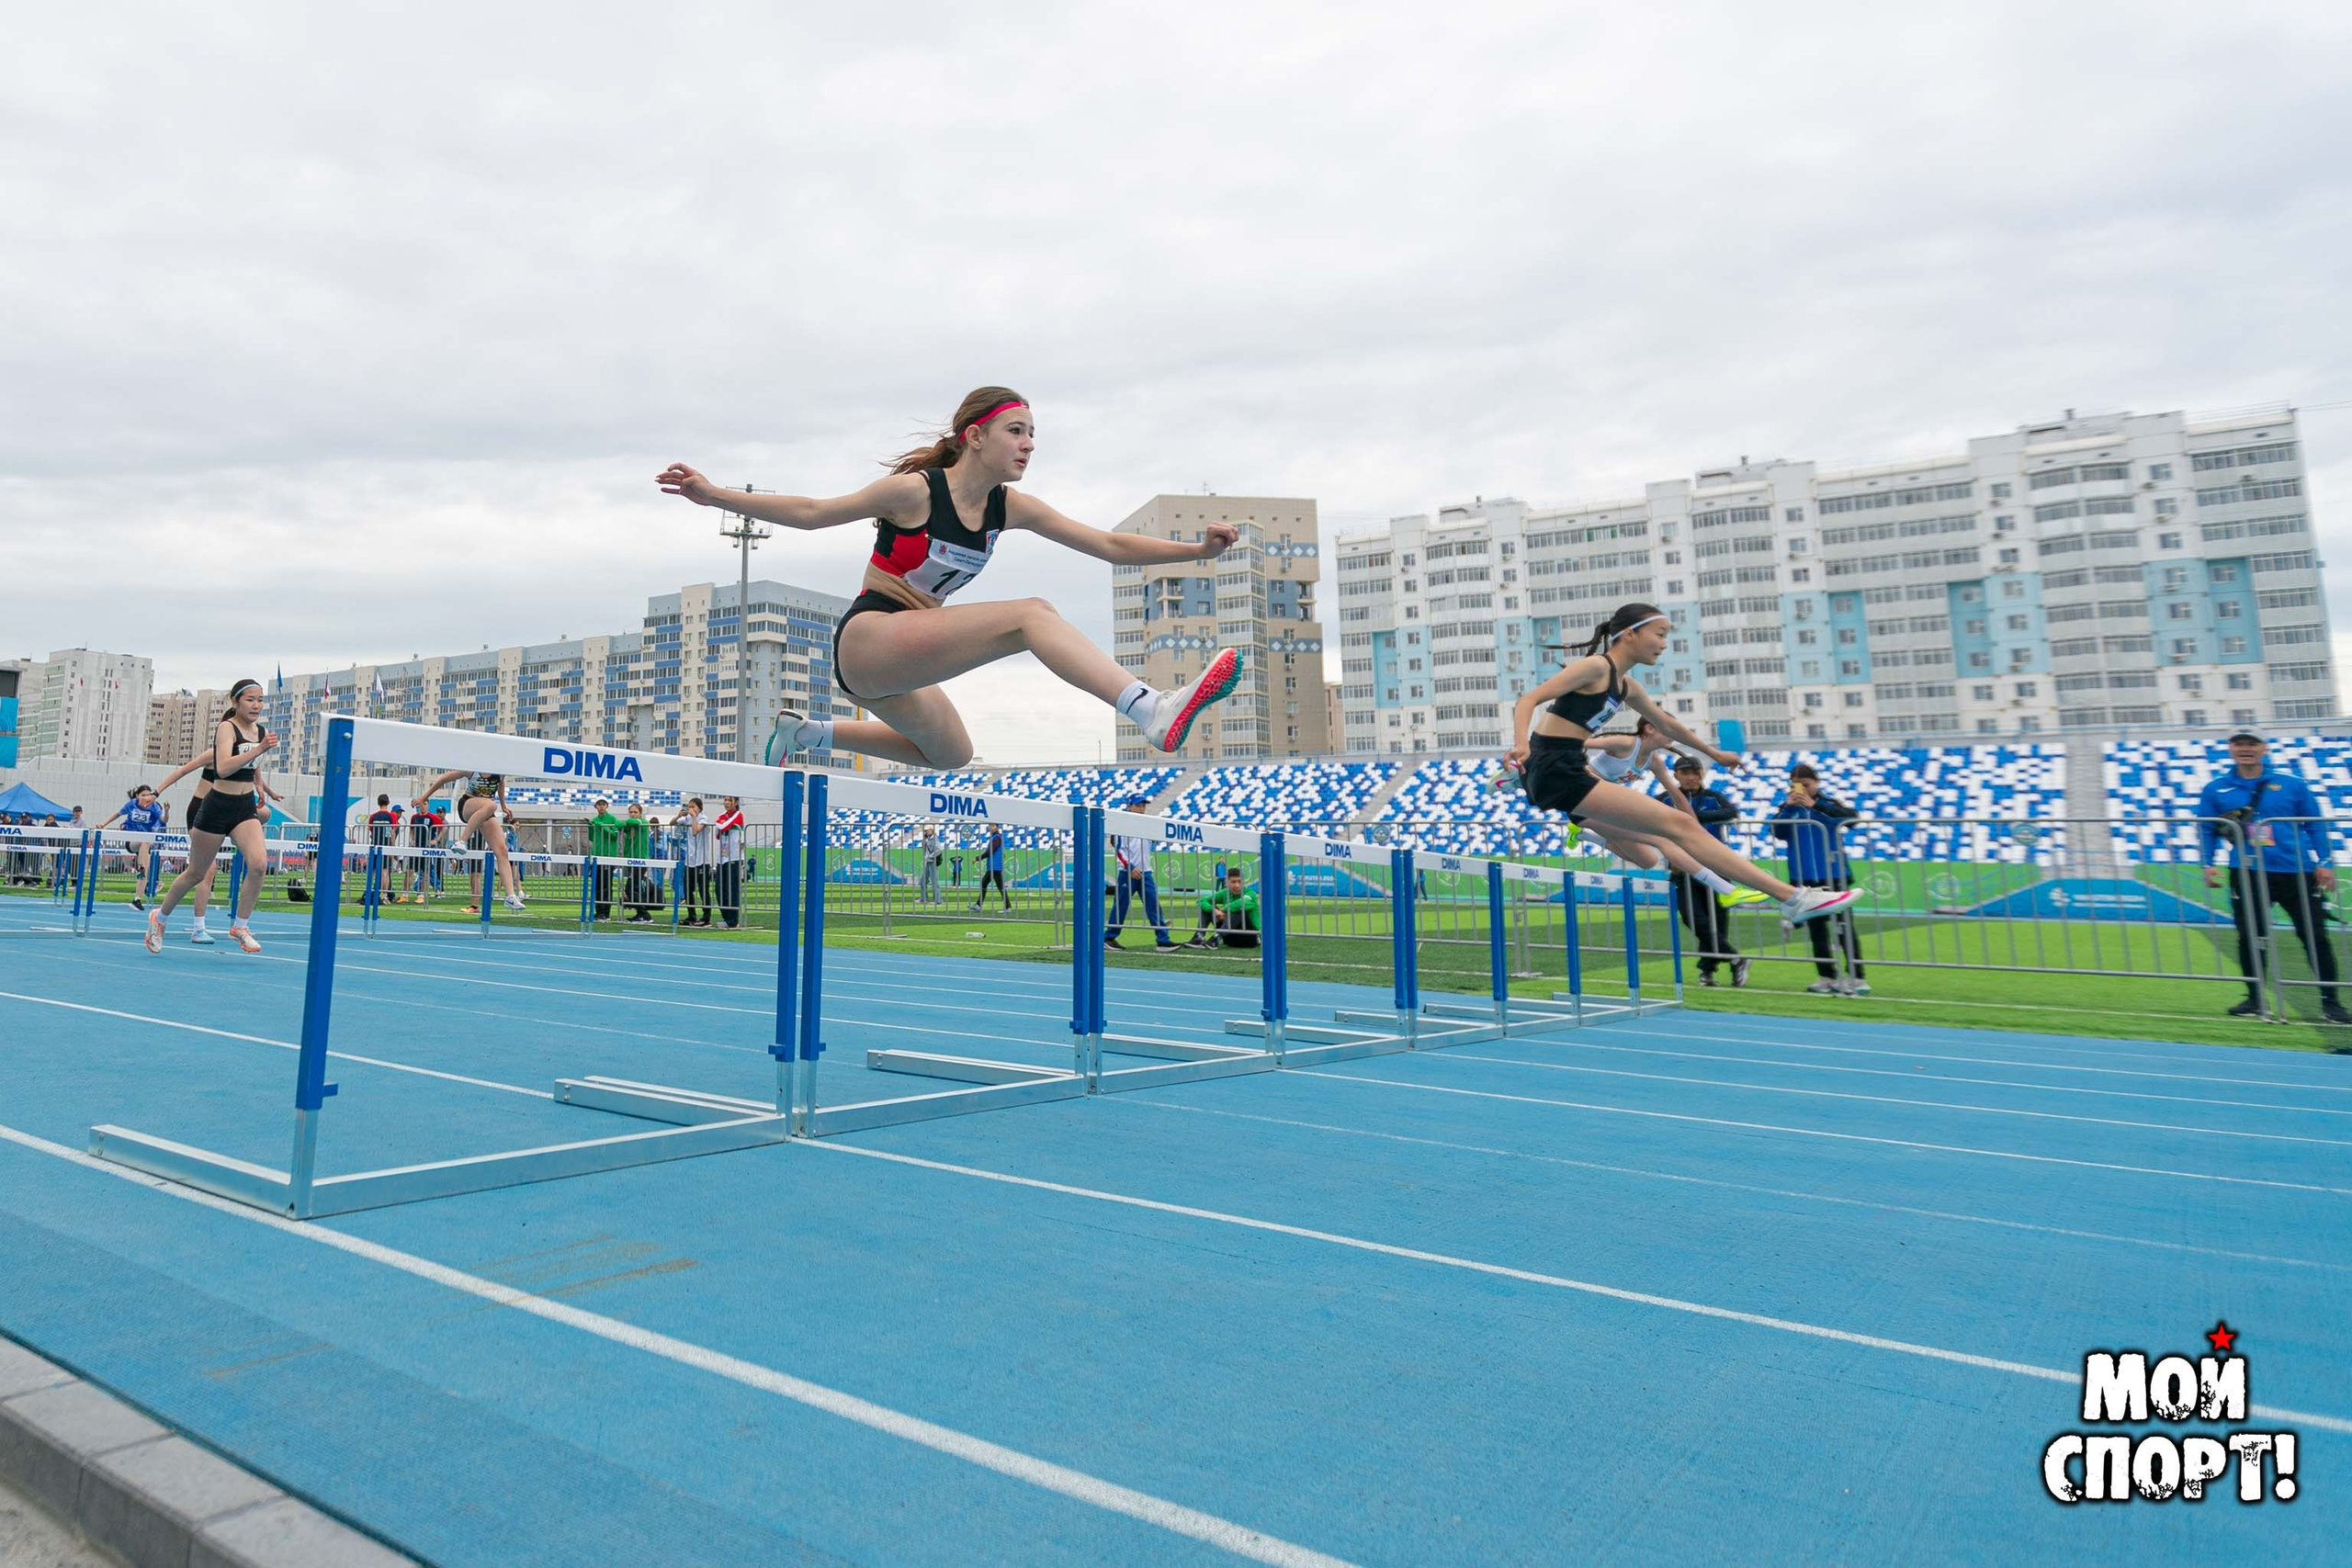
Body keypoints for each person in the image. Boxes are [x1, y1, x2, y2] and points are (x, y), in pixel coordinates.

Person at [658, 388, 1245, 771]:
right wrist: (714, 495)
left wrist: (1196, 549)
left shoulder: (1009, 507)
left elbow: (1110, 546)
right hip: (871, 637)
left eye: (1033, 434)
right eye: (1016, 431)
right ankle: (1148, 706)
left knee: (951, 756)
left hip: (901, 662)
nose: (1029, 444)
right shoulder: (915, 493)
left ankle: (808, 733)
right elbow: (814, 513)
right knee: (1030, 615)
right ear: (975, 436)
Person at [1505, 604, 1861, 928]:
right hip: (1555, 766)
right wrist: (1522, 745)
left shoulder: (1626, 686)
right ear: (1630, 634)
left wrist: (1715, 754)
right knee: (1679, 825)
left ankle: (1789, 897)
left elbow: (1669, 726)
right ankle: (1793, 898)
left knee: (1667, 837)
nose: (1663, 644)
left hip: (1565, 766)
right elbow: (1529, 700)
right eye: (1659, 634)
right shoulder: (1597, 667)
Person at [2198, 731, 2349, 1028]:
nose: (2245, 749)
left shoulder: (2293, 784)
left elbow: (2315, 826)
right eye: (2239, 744)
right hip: (2247, 872)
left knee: (2315, 936)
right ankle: (2255, 999)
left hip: (2296, 872)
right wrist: (2207, 862)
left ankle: (2331, 1004)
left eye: (2252, 744)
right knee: (2250, 936)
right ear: (2230, 749)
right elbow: (2207, 829)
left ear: (2264, 749)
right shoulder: (2217, 788)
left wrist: (2325, 862)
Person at [1575, 718, 1770, 908]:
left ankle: (1582, 835)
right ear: (1650, 729)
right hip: (1584, 804)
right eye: (1667, 729)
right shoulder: (1625, 743)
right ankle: (1727, 890)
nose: (1673, 734)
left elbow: (1675, 793)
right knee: (1664, 840)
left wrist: (1692, 826)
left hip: (1605, 810)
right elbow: (1571, 744)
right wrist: (1587, 775)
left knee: (1647, 860)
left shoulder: (1653, 760)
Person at [145, 680, 277, 954]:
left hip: (243, 808)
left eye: (260, 700)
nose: (256, 705)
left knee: (259, 865)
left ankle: (240, 926)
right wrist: (259, 749)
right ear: (235, 702)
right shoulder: (226, 729)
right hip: (216, 806)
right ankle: (160, 919)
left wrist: (262, 789)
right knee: (196, 873)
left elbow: (253, 767)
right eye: (250, 700)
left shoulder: (261, 732)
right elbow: (225, 767)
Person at [1770, 765, 1869, 996]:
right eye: (1797, 784)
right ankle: (1826, 976)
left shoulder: (1829, 804)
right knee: (1816, 930)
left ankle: (1857, 976)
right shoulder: (1788, 808)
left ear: (1817, 782)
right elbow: (1777, 832)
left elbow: (1853, 820)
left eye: (1807, 783)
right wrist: (1788, 807)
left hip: (1834, 875)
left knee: (1844, 927)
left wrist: (1815, 806)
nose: (1803, 788)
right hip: (1804, 878)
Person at [1671, 754, 1749, 988]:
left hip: (1715, 867)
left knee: (1717, 921)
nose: (1691, 777)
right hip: (1681, 867)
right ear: (1676, 776)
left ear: (1702, 775)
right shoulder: (1666, 798)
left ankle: (1707, 972)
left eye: (1695, 772)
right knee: (1693, 918)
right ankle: (1735, 958)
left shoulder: (1714, 798)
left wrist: (1694, 818)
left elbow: (1731, 812)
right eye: (1685, 773)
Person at [412, 767, 526, 914]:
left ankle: (510, 896)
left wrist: (504, 806)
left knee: (502, 851)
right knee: (491, 805)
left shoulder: (500, 770)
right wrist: (423, 797)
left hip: (485, 811)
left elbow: (501, 784)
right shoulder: (473, 770)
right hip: (467, 805)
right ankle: (461, 841)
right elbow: (444, 779)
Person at [1106, 795, 1177, 952]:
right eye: (1138, 805)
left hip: (1145, 872)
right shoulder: (1122, 825)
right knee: (1121, 906)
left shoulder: (1147, 825)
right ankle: (1109, 937)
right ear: (1129, 806)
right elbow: (1119, 850)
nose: (1141, 808)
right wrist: (1130, 867)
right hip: (1127, 872)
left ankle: (1163, 940)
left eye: (1143, 806)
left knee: (1153, 905)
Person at [97, 784, 168, 911]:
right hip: (132, 842)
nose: (146, 798)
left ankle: (137, 899)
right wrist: (103, 824)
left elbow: (164, 819)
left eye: (148, 795)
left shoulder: (154, 807)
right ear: (137, 796)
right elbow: (117, 814)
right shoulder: (132, 804)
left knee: (146, 869)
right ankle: (141, 867)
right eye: (143, 795)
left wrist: (167, 811)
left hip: (144, 846)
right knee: (145, 841)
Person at [1186, 865, 1261, 949]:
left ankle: (1216, 939)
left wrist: (1223, 910)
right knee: (1208, 906)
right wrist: (1214, 910)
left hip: (1249, 938)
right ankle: (1199, 937)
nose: (1237, 885)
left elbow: (1241, 904)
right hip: (1228, 937)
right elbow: (1201, 901)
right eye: (1233, 882)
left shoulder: (1251, 894)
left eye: (1240, 882)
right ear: (1227, 882)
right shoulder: (1225, 893)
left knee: (1239, 910)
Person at [678, 797, 716, 927]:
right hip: (690, 860)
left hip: (702, 860)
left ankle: (706, 917)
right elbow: (673, 823)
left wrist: (694, 817)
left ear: (699, 808)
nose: (691, 809)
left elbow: (695, 832)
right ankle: (691, 916)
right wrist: (679, 814)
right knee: (688, 889)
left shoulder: (703, 818)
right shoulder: (687, 818)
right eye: (689, 807)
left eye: (693, 807)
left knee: (703, 889)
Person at [713, 795, 746, 929]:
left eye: (729, 800)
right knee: (720, 889)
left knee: (732, 890)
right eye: (725, 800)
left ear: (736, 802)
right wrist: (720, 823)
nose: (726, 803)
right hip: (723, 857)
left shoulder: (738, 815)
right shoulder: (722, 814)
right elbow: (717, 834)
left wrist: (721, 823)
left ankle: (733, 920)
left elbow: (723, 825)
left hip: (734, 857)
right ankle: (726, 918)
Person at [586, 798, 621, 919]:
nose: (601, 807)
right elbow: (591, 838)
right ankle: (599, 911)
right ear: (596, 807)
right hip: (596, 855)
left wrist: (602, 827)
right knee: (597, 885)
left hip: (608, 856)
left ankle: (605, 913)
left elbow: (614, 835)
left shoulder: (612, 820)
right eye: (599, 805)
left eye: (603, 805)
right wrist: (591, 826)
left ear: (607, 806)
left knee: (606, 885)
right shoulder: (595, 820)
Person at [620, 802, 655, 922]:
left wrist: (626, 823)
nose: (633, 814)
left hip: (640, 860)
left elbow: (631, 822)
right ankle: (640, 914)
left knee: (630, 889)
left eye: (635, 812)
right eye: (631, 812)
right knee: (636, 889)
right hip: (631, 860)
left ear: (640, 814)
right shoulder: (630, 827)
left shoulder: (643, 823)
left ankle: (645, 915)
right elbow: (620, 825)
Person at [971, 824, 1011, 912]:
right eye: (990, 826)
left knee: (995, 885)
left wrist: (978, 858)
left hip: (995, 867)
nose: (991, 827)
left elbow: (990, 851)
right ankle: (978, 905)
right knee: (986, 884)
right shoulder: (995, 837)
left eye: (993, 826)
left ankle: (1007, 907)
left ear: (996, 827)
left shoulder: (997, 838)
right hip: (993, 866)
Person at [917, 824, 943, 906]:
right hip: (928, 861)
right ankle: (924, 898)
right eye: (925, 831)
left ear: (932, 830)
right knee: (922, 881)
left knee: (934, 881)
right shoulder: (928, 839)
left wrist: (930, 856)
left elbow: (939, 849)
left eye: (927, 830)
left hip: (932, 861)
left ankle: (938, 900)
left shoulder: (934, 839)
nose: (926, 832)